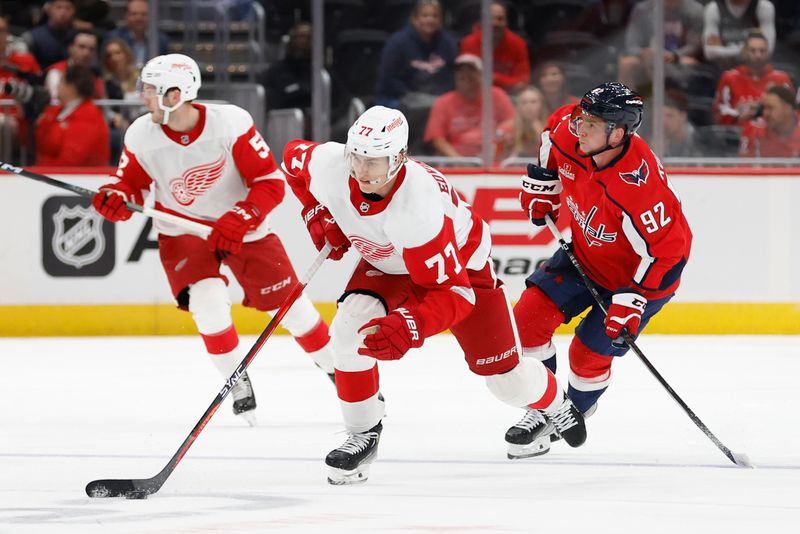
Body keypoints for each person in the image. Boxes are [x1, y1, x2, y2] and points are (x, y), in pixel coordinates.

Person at [281, 105, 587, 485]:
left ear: (400, 158)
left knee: (505, 381)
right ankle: (363, 434)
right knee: (348, 329)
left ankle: (556, 404)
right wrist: (316, 213)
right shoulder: (331, 166)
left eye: (374, 161)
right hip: (390, 261)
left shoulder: (418, 209)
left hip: (462, 268)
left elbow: (456, 295)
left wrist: (413, 325)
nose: (361, 171)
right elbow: (293, 158)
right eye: (356, 156)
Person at [91, 54, 336, 425]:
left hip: (243, 228)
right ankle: (236, 379)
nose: (144, 98)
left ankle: (341, 372)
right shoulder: (140, 134)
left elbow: (269, 183)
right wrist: (115, 197)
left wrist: (242, 216)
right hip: (183, 228)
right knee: (207, 303)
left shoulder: (230, 123)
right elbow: (131, 186)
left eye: (152, 91)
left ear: (176, 94)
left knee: (292, 310)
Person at [508, 82, 692, 457]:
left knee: (586, 355)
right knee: (526, 321)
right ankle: (546, 408)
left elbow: (671, 254)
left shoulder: (640, 186)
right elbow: (550, 141)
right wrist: (545, 185)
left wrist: (635, 300)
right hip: (586, 255)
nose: (579, 127)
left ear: (618, 133)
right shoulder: (569, 130)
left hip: (637, 279)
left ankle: (577, 406)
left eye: (591, 123)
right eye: (581, 117)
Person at [423, 54, 514, 159]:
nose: (465, 74)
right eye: (460, 71)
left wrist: (498, 138)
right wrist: (459, 160)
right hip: (457, 161)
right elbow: (437, 139)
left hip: (494, 158)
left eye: (471, 71)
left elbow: (512, 122)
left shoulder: (497, 95)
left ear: (481, 75)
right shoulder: (443, 102)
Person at [375, 0, 458, 110]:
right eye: (425, 15)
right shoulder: (397, 42)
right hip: (401, 96)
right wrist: (411, 94)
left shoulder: (448, 42)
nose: (430, 20)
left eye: (435, 16)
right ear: (414, 18)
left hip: (438, 96)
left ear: (441, 20)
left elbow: (454, 73)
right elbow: (388, 78)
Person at [617, 0, 704, 92]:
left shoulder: (695, 10)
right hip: (649, 58)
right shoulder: (642, 10)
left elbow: (695, 46)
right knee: (627, 64)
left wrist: (674, 55)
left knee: (689, 62)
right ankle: (628, 103)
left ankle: (662, 101)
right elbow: (631, 45)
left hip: (679, 60)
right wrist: (644, 53)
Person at [713, 30, 793, 125]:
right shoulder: (729, 77)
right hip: (738, 135)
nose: (758, 55)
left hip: (772, 136)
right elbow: (719, 113)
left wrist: (761, 110)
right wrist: (739, 115)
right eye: (753, 50)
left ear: (768, 53)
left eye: (762, 51)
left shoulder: (781, 78)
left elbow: (792, 111)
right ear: (744, 52)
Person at [35, 64, 109, 165]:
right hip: (50, 171)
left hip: (80, 177)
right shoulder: (56, 111)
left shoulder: (89, 114)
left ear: (72, 86)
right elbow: (40, 144)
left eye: (61, 81)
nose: (57, 86)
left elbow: (71, 160)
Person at [459, 0, 530, 94]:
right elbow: (467, 81)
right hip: (477, 97)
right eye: (490, 18)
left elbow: (522, 82)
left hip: (510, 98)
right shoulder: (468, 43)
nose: (495, 23)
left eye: (500, 19)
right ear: (481, 21)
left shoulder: (518, 43)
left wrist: (494, 78)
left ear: (506, 22)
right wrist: (507, 82)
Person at [702, 0, 776, 69]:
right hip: (722, 70)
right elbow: (709, 53)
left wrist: (723, 50)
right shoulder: (714, 8)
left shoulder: (763, 7)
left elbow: (768, 50)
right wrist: (748, 50)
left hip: (753, 70)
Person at [44, 29, 105, 102]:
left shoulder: (96, 76)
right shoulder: (57, 73)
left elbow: (104, 106)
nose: (86, 53)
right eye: (82, 47)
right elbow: (55, 103)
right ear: (70, 48)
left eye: (91, 49)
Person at [105, 0, 169, 68]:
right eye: (134, 14)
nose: (139, 18)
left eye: (143, 14)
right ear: (126, 16)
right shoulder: (114, 38)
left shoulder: (161, 40)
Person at [740, 85, 800, 157]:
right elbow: (743, 165)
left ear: (787, 108)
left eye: (770, 108)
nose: (765, 113)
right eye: (764, 108)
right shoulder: (754, 129)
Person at [22, 0, 76, 70]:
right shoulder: (33, 36)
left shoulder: (78, 38)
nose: (63, 12)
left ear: (74, 12)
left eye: (68, 8)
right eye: (59, 7)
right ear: (49, 10)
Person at [505, 85, 548, 159]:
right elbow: (499, 160)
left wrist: (541, 134)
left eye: (533, 102)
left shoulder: (551, 127)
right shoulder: (507, 129)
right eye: (524, 102)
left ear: (541, 105)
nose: (529, 106)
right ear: (518, 106)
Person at [663, 89, 702, 157]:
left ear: (683, 117)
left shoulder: (699, 141)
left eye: (669, 116)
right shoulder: (654, 141)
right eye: (660, 115)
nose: (664, 121)